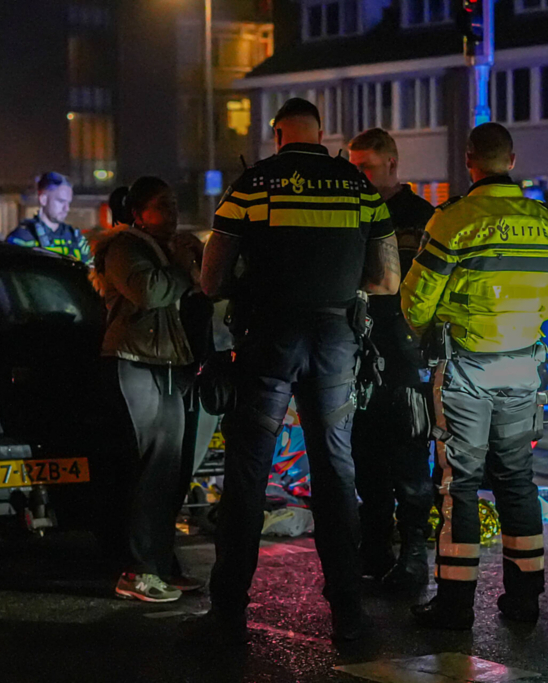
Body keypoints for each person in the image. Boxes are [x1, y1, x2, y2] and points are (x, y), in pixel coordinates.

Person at [195, 98, 400, 643]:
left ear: (277, 133)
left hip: (268, 340)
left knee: (247, 474)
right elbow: (387, 282)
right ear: (322, 132)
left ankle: (228, 617)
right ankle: (349, 616)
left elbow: (211, 280)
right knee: (336, 472)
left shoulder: (255, 185)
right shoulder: (357, 186)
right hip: (335, 341)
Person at [401, 122, 548, 630]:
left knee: (461, 484)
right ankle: (524, 598)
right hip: (523, 368)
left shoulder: (454, 219)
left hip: (467, 372)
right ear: (512, 161)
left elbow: (416, 300)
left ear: (469, 160)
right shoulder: (547, 223)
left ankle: (454, 603)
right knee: (518, 480)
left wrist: (429, 329)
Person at [91, 177, 204, 603]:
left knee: (169, 470)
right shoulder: (124, 248)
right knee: (154, 468)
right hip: (135, 362)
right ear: (138, 213)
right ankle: (138, 570)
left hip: (167, 365)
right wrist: (179, 267)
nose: (172, 213)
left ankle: (160, 564)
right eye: (162, 205)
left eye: (175, 204)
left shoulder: (166, 246)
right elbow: (150, 291)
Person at [347, 128, 434, 590]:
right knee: (366, 457)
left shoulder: (421, 218)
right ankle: (375, 550)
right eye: (353, 167)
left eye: (366, 168)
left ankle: (414, 553)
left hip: (405, 356)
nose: (357, 176)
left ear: (393, 165)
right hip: (360, 353)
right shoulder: (352, 212)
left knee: (409, 456)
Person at [7, 172, 93, 265]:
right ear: (43, 199)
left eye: (68, 203)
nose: (66, 208)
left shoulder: (76, 238)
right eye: (61, 201)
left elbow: (91, 271)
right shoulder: (22, 238)